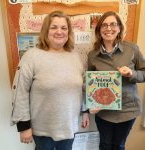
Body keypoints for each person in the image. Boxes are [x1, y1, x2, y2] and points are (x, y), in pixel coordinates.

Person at [11, 11, 84, 150]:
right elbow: (20, 92)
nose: (59, 32)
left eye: (64, 28)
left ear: (68, 32)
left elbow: (82, 88)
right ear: (46, 30)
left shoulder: (75, 57)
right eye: (54, 27)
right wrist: (24, 126)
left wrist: (85, 111)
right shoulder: (31, 56)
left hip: (69, 127)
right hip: (42, 131)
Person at [82, 11, 145, 150]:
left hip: (127, 110)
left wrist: (131, 73)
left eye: (113, 24)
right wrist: (89, 105)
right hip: (104, 111)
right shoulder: (93, 55)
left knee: (119, 145)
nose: (108, 28)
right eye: (104, 25)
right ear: (99, 30)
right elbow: (89, 83)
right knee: (104, 145)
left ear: (119, 28)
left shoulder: (132, 49)